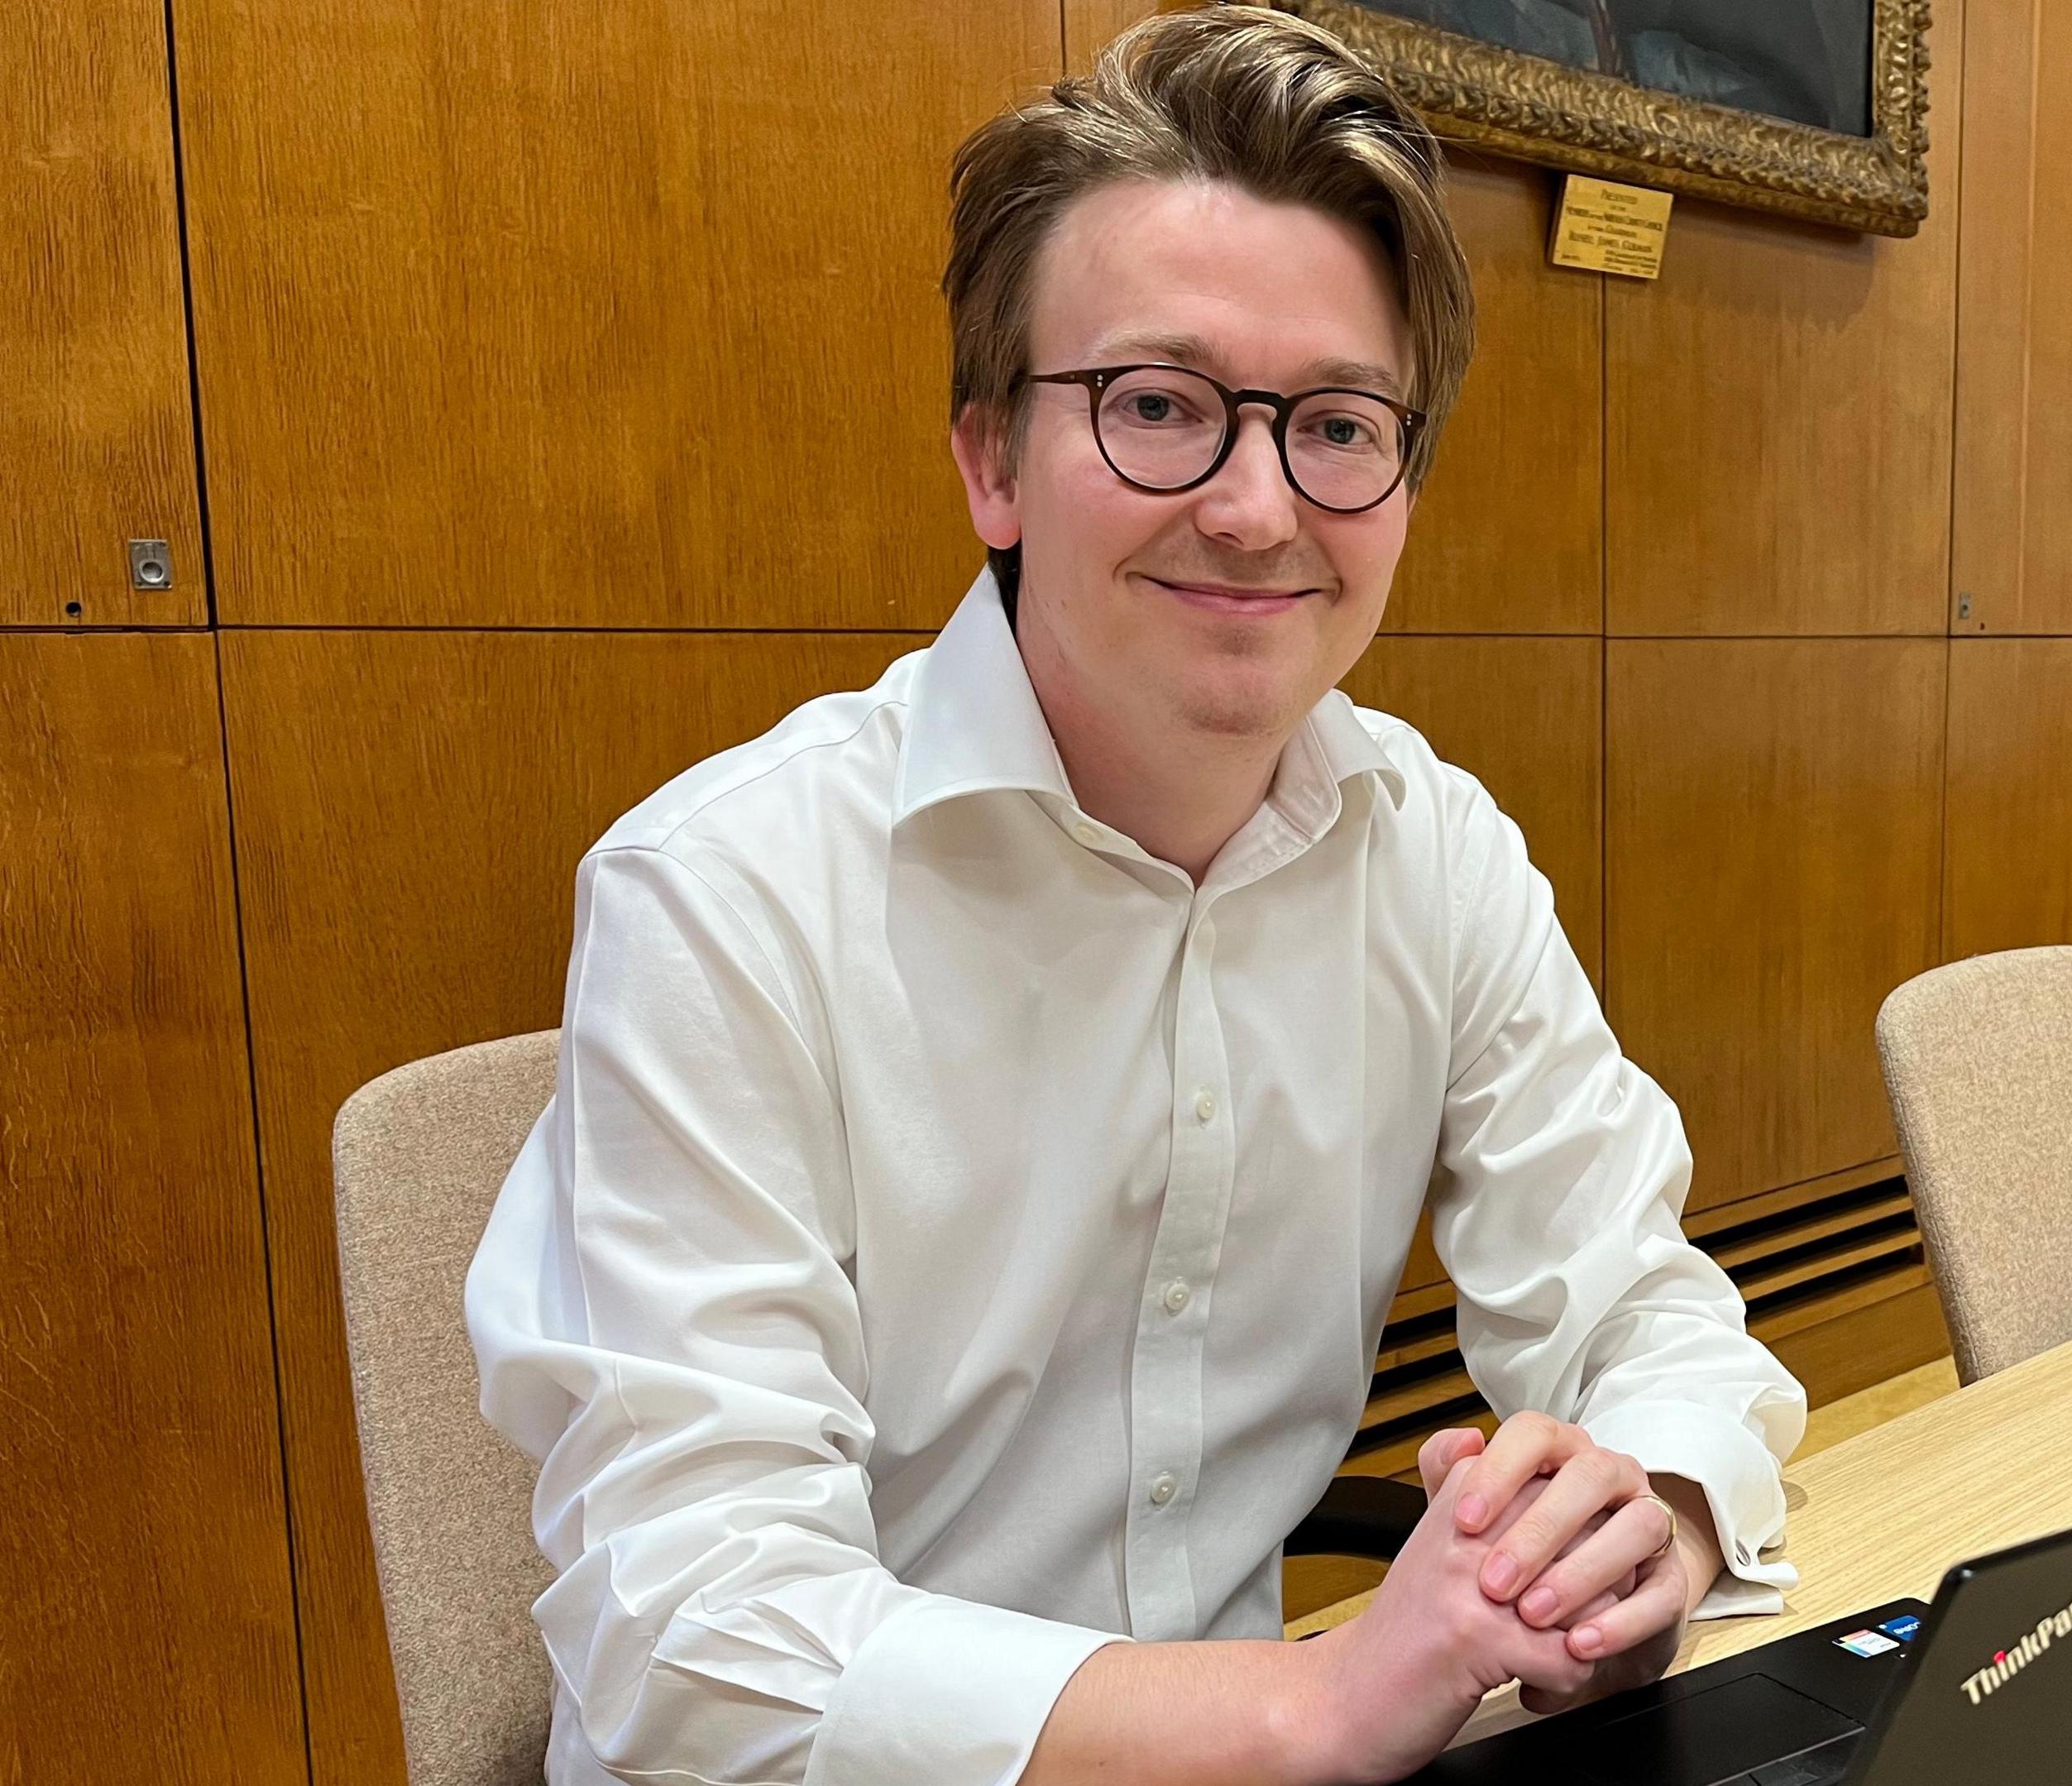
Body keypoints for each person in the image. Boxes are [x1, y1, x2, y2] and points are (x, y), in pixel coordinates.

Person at [463, 8, 1806, 1784]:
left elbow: (1644, 1305)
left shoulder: (1436, 848)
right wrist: (1314, 1713)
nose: (1259, 508)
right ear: (993, 463)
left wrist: (1652, 1517)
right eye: (1160, 405)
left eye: (1338, 424)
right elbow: (694, 1632)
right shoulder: (727, 897)